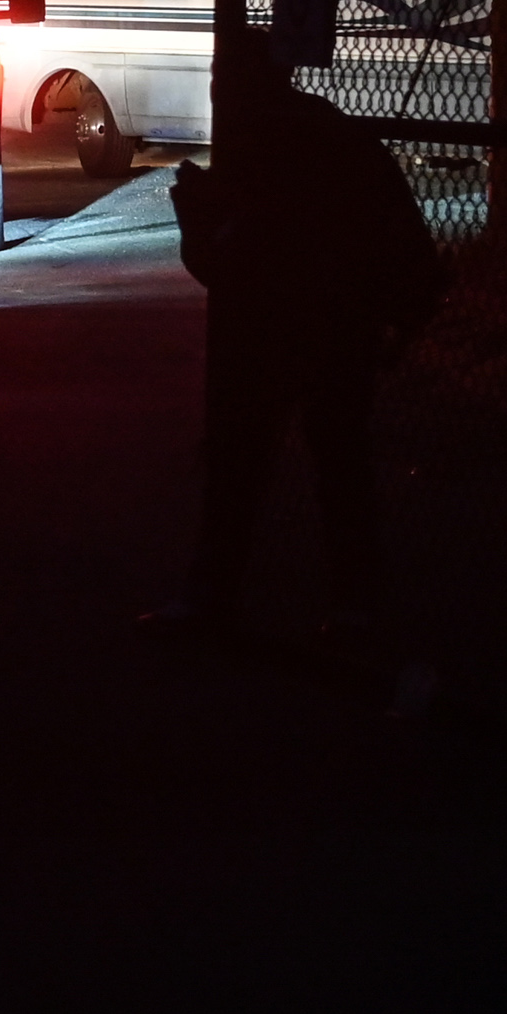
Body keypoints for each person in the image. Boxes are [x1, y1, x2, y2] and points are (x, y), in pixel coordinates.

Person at [146, 40, 446, 644]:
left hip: (275, 327)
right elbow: (399, 235)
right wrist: (401, 316)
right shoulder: (330, 134)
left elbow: (234, 258)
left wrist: (198, 219)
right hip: (339, 322)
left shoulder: (259, 150)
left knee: (241, 458)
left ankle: (213, 596)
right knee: (338, 458)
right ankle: (354, 602)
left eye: (221, 82)